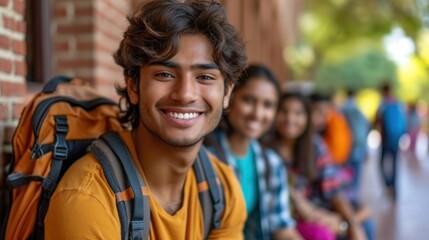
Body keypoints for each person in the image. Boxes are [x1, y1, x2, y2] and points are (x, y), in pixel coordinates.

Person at [44, 0, 248, 239]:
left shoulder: (222, 188)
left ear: (227, 93)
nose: (185, 94)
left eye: (204, 77)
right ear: (133, 86)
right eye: (164, 74)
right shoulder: (88, 200)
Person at [204, 65, 302, 240]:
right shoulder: (205, 156)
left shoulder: (271, 163)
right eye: (249, 100)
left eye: (268, 105)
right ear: (231, 97)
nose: (257, 114)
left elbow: (280, 224)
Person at [267, 92, 376, 240]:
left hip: (321, 209)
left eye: (298, 113)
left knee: (365, 223)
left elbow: (333, 189)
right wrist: (330, 220)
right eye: (284, 111)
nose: (290, 119)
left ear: (307, 118)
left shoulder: (314, 146)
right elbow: (293, 205)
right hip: (298, 216)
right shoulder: (267, 152)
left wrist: (351, 224)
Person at [375, 83, 407, 200]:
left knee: (382, 164)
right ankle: (394, 188)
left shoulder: (383, 104)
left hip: (385, 139)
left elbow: (377, 121)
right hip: (396, 139)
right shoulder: (398, 103)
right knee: (394, 164)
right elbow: (404, 121)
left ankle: (388, 186)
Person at [342, 89, 371, 203]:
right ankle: (354, 196)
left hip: (346, 147)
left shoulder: (342, 109)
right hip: (359, 146)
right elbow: (365, 129)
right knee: (356, 173)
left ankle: (347, 196)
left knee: (346, 173)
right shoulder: (359, 110)